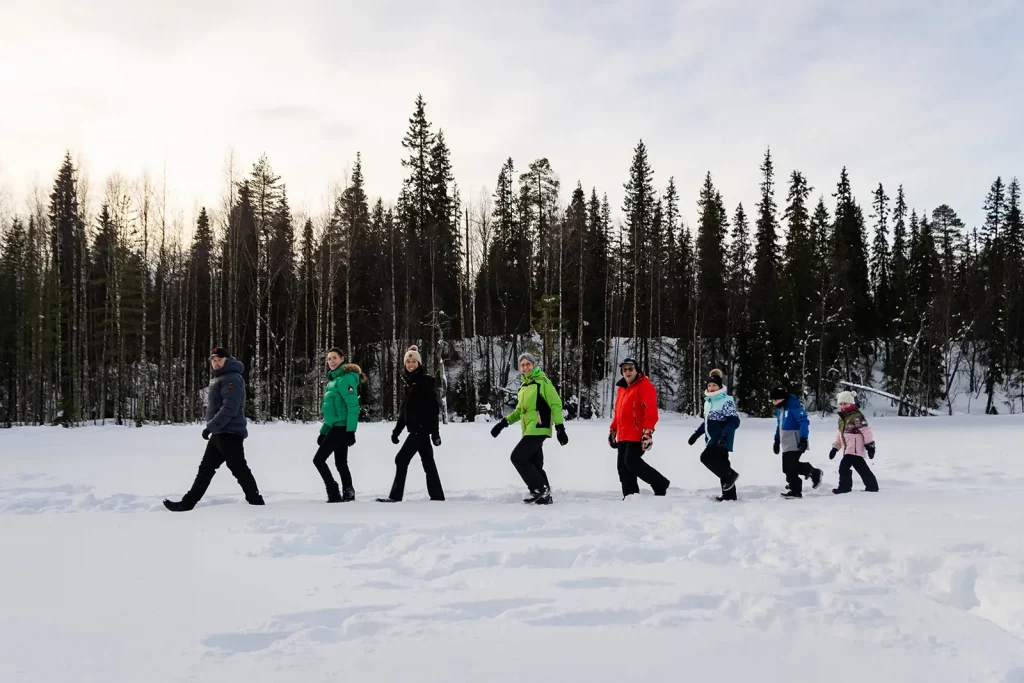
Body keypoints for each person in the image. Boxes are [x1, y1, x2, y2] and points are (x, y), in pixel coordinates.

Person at [164, 347, 264, 511]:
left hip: (230, 433)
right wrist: (213, 428)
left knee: (238, 469)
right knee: (206, 470)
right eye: (213, 360)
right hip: (220, 433)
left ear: (227, 360)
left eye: (219, 360)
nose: (215, 363)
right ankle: (187, 503)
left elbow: (229, 408)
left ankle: (256, 502)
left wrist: (210, 426)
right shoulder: (221, 378)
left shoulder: (232, 379)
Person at [489, 352, 568, 504]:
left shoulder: (542, 382)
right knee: (535, 463)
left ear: (534, 365)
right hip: (528, 429)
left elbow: (556, 404)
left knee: (518, 457)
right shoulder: (524, 387)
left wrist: (560, 428)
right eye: (522, 365)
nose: (525, 367)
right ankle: (544, 496)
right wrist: (503, 424)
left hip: (539, 427)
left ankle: (540, 489)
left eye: (528, 364)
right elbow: (519, 411)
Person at [377, 345, 445, 503]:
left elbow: (433, 409)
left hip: (420, 430)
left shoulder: (425, 382)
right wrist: (396, 431)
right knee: (428, 462)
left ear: (419, 363)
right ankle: (437, 496)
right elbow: (404, 412)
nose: (411, 364)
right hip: (415, 430)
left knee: (401, 459)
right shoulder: (410, 383)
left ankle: (395, 496)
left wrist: (435, 433)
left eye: (414, 361)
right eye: (408, 361)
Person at [609, 357, 669, 498]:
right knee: (622, 467)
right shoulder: (622, 389)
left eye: (630, 369)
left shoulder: (645, 386)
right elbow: (619, 412)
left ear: (637, 370)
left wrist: (648, 432)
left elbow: (651, 411)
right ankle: (630, 496)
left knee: (631, 461)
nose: (627, 372)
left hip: (637, 434)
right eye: (625, 370)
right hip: (623, 434)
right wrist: (613, 430)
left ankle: (660, 482)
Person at [313, 347, 364, 502]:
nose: (331, 361)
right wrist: (324, 431)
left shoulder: (346, 379)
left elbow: (353, 406)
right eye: (329, 359)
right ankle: (348, 492)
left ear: (342, 359)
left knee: (318, 460)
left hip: (342, 428)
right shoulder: (333, 381)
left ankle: (333, 491)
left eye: (334, 358)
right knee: (341, 463)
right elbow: (331, 412)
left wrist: (351, 431)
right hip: (335, 427)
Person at [687, 369, 741, 501]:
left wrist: (724, 436)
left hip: (720, 439)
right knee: (722, 464)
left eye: (714, 385)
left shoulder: (725, 400)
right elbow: (707, 422)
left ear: (720, 386)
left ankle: (731, 476)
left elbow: (734, 420)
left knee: (706, 457)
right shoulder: (709, 402)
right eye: (709, 385)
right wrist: (697, 434)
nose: (711, 388)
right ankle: (729, 496)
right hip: (712, 439)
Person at [771, 387, 823, 498]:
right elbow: (779, 426)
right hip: (786, 442)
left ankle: (809, 476)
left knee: (790, 465)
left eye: (775, 400)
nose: (773, 402)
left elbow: (804, 421)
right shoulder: (780, 409)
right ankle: (795, 485)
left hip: (796, 441)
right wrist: (776, 440)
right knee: (786, 467)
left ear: (782, 399)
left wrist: (804, 438)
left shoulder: (793, 406)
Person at [829, 391, 879, 494]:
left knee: (843, 468)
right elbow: (840, 434)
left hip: (854, 449)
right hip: (848, 449)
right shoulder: (842, 418)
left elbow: (866, 431)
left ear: (851, 403)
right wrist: (835, 447)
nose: (843, 406)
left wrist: (870, 446)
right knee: (862, 469)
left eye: (845, 404)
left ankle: (844, 487)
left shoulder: (857, 417)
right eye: (841, 404)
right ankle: (872, 486)